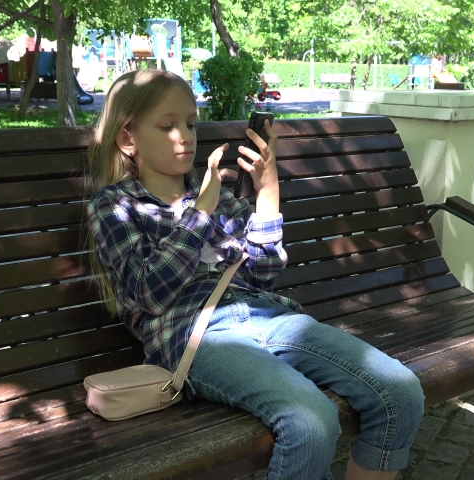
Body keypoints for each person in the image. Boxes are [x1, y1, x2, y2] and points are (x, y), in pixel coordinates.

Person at [85, 69, 425, 480]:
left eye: (191, 123)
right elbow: (148, 293)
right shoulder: (116, 205)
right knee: (311, 421)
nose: (185, 136)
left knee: (400, 391)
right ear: (127, 139)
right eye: (167, 126)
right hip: (199, 337)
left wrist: (267, 192)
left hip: (269, 317)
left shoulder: (220, 197)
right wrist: (199, 214)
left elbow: (263, 276)